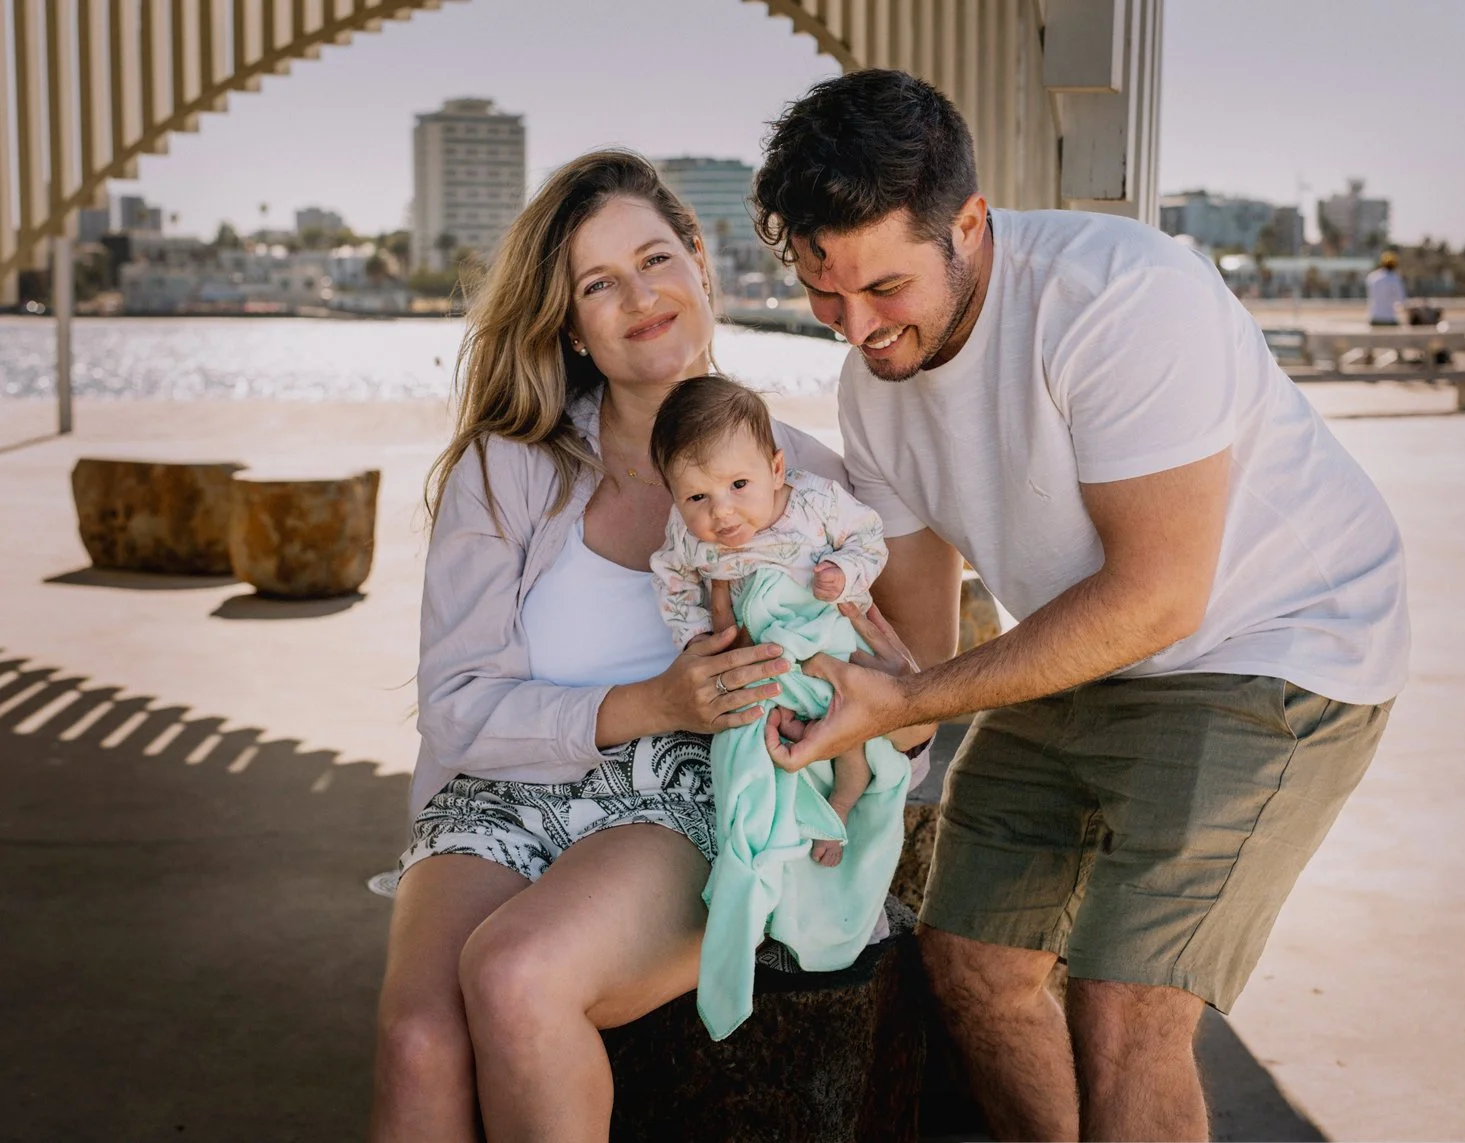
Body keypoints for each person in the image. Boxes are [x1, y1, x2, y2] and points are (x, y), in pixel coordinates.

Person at [750, 70, 1410, 1142]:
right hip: (1089, 646)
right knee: (969, 964)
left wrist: (906, 695)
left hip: (1275, 644)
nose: (856, 327)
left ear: (967, 223)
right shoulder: (871, 389)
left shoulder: (1116, 298)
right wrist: (832, 746)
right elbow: (916, 663)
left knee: (1122, 1004)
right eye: (824, 294)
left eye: (883, 288)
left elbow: (1158, 595)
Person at [368, 149, 931, 1141]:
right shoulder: (506, 469)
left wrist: (890, 712)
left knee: (513, 974)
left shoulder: (801, 482)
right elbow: (455, 704)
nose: (640, 297)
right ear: (571, 326)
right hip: (499, 785)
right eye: (598, 283)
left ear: (702, 267)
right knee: (419, 1038)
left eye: (656, 258)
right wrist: (653, 700)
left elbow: (884, 683)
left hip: (682, 792)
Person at [648, 375, 888, 867]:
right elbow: (670, 578)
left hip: (821, 635)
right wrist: (695, 637)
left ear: (776, 469)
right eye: (696, 498)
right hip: (758, 658)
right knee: (749, 741)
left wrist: (843, 574)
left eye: (739, 485)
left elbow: (870, 538)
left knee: (846, 706)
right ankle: (768, 833)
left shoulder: (816, 502)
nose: (722, 512)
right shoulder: (688, 537)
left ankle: (847, 789)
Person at [1366, 250, 1407, 325]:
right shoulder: (1395, 279)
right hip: (1389, 318)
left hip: (1374, 317)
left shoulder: (1372, 277)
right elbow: (1402, 300)